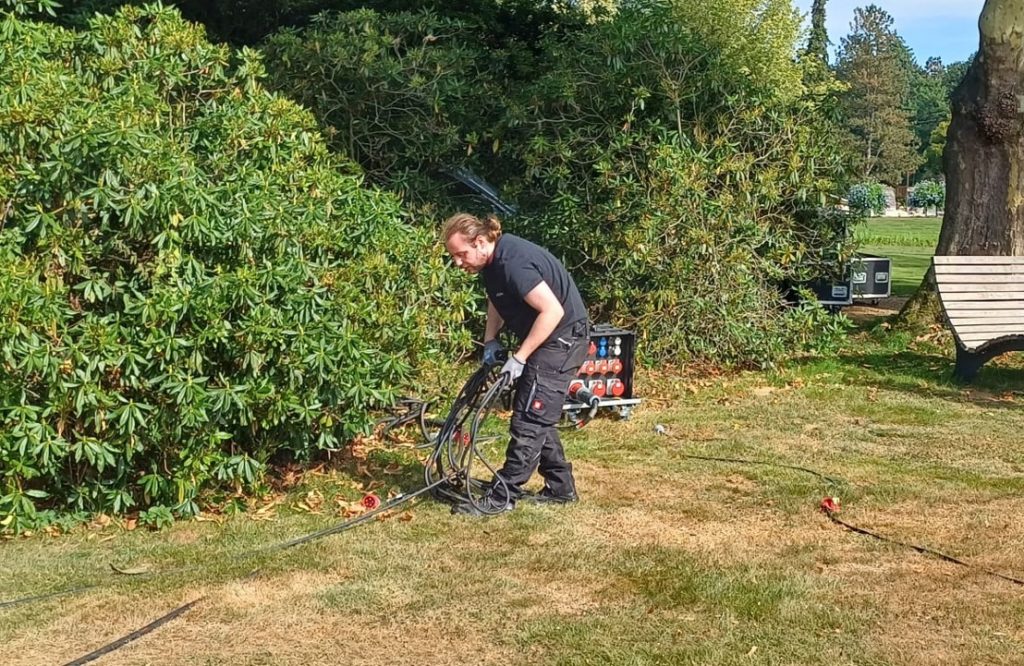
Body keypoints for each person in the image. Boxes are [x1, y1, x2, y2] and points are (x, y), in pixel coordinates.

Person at [441, 212, 590, 516]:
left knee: (528, 421)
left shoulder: (513, 262)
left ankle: (501, 497)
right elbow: (498, 300)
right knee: (536, 412)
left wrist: (520, 357)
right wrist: (490, 341)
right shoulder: (492, 264)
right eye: (453, 256)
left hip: (561, 341)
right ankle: (561, 489)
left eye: (461, 254)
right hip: (549, 340)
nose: (458, 262)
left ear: (479, 242)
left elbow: (552, 311)